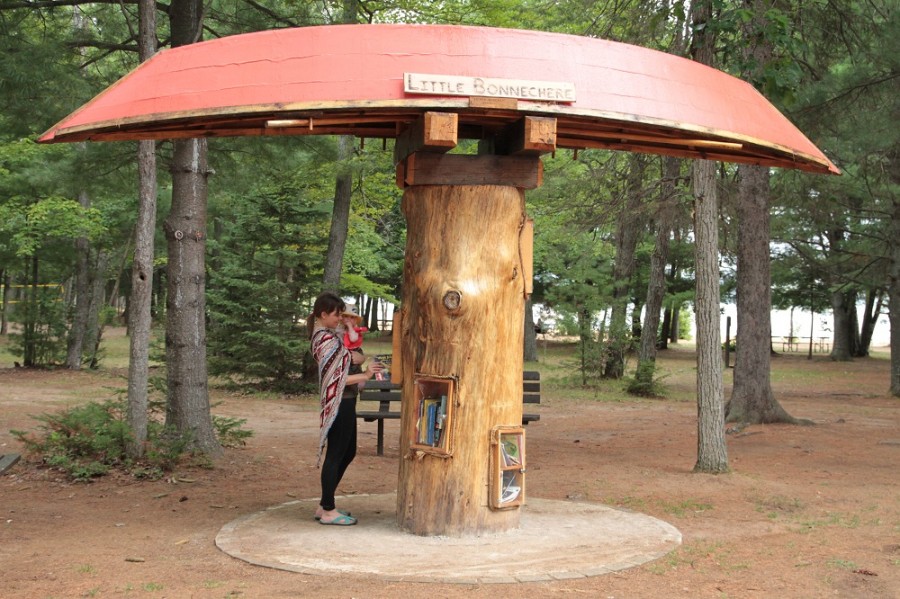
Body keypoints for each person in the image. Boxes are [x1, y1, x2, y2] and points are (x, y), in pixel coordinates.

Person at [307, 292, 382, 526]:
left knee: (347, 453)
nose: (340, 318)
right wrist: (367, 374)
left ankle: (324, 504)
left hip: (346, 401)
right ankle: (328, 510)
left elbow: (354, 352)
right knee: (336, 454)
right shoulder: (324, 339)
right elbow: (335, 379)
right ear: (323, 314)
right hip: (339, 403)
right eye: (337, 314)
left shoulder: (330, 336)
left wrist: (355, 354)